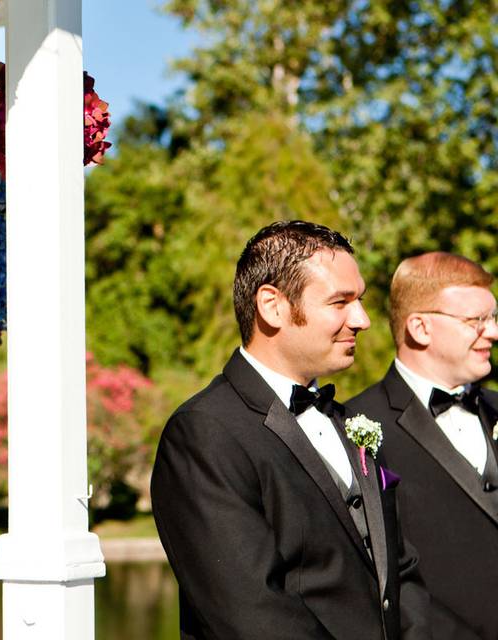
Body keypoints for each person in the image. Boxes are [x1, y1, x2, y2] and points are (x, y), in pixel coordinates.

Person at [151, 220, 430, 639]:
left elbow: (400, 572)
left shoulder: (346, 421)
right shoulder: (204, 433)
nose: (363, 319)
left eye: (361, 301)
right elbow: (252, 613)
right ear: (272, 306)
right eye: (341, 302)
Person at [348, 252, 498, 639]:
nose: (493, 332)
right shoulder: (355, 428)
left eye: (493, 318)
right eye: (476, 321)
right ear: (419, 327)